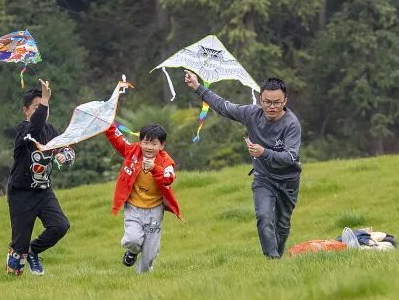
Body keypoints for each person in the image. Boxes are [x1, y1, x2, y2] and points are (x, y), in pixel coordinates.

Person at [183, 71, 301, 258]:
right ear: (260, 100)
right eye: (267, 102)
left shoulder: (291, 124)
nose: (272, 107)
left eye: (277, 103)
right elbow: (223, 106)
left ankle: (278, 255)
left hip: (288, 180)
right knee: (264, 217)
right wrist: (198, 87)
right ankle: (272, 261)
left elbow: (290, 157)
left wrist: (264, 152)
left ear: (285, 101)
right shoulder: (251, 113)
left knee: (282, 224)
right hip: (264, 177)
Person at [6, 80, 74, 276]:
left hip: (44, 191)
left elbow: (68, 149)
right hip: (21, 193)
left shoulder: (51, 131)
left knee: (60, 226)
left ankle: (33, 251)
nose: (43, 110)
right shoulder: (24, 130)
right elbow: (35, 127)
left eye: (45, 106)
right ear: (26, 111)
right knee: (19, 244)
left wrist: (65, 156)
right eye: (37, 107)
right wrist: (45, 98)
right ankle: (12, 277)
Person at [102, 122, 181, 273]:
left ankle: (142, 279)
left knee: (150, 252)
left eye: (154, 144)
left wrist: (154, 168)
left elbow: (169, 178)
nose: (149, 147)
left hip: (155, 211)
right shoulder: (132, 151)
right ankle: (132, 251)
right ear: (140, 142)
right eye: (145, 142)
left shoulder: (166, 161)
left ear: (162, 145)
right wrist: (106, 123)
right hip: (133, 208)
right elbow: (117, 139)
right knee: (132, 240)